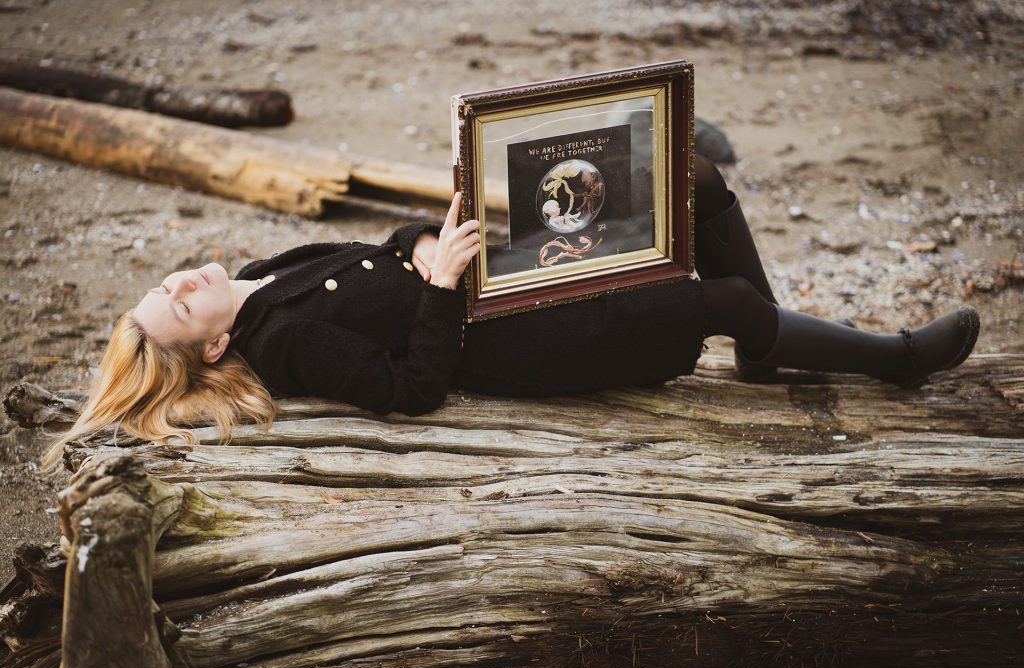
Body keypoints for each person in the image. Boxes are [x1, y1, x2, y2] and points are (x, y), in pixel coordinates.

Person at [40, 155, 980, 475]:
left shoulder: (257, 274)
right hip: (531, 340)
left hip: (509, 273)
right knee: (724, 300)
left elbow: (386, 255)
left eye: (163, 286)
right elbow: (412, 390)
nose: (175, 282)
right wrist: (440, 287)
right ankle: (891, 358)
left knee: (692, 180)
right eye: (174, 307)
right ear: (208, 345)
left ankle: (765, 348)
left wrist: (418, 244)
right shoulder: (282, 340)